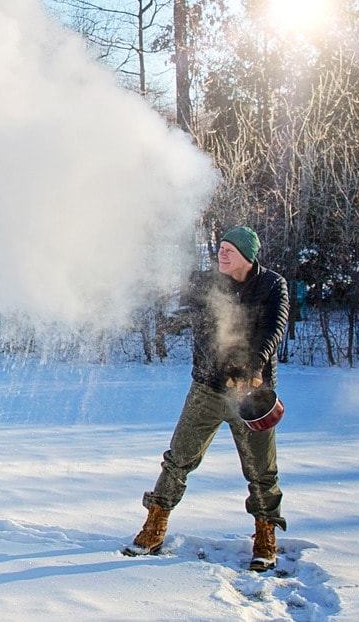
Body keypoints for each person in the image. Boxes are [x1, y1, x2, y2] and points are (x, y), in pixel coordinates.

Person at [123, 226, 290, 571]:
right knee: (178, 458)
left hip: (253, 394)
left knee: (262, 471)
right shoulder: (205, 283)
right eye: (221, 248)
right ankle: (154, 526)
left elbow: (274, 327)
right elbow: (201, 328)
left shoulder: (273, 284)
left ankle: (264, 537)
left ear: (248, 255)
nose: (222, 254)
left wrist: (252, 367)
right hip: (208, 389)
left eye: (230, 250)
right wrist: (223, 368)